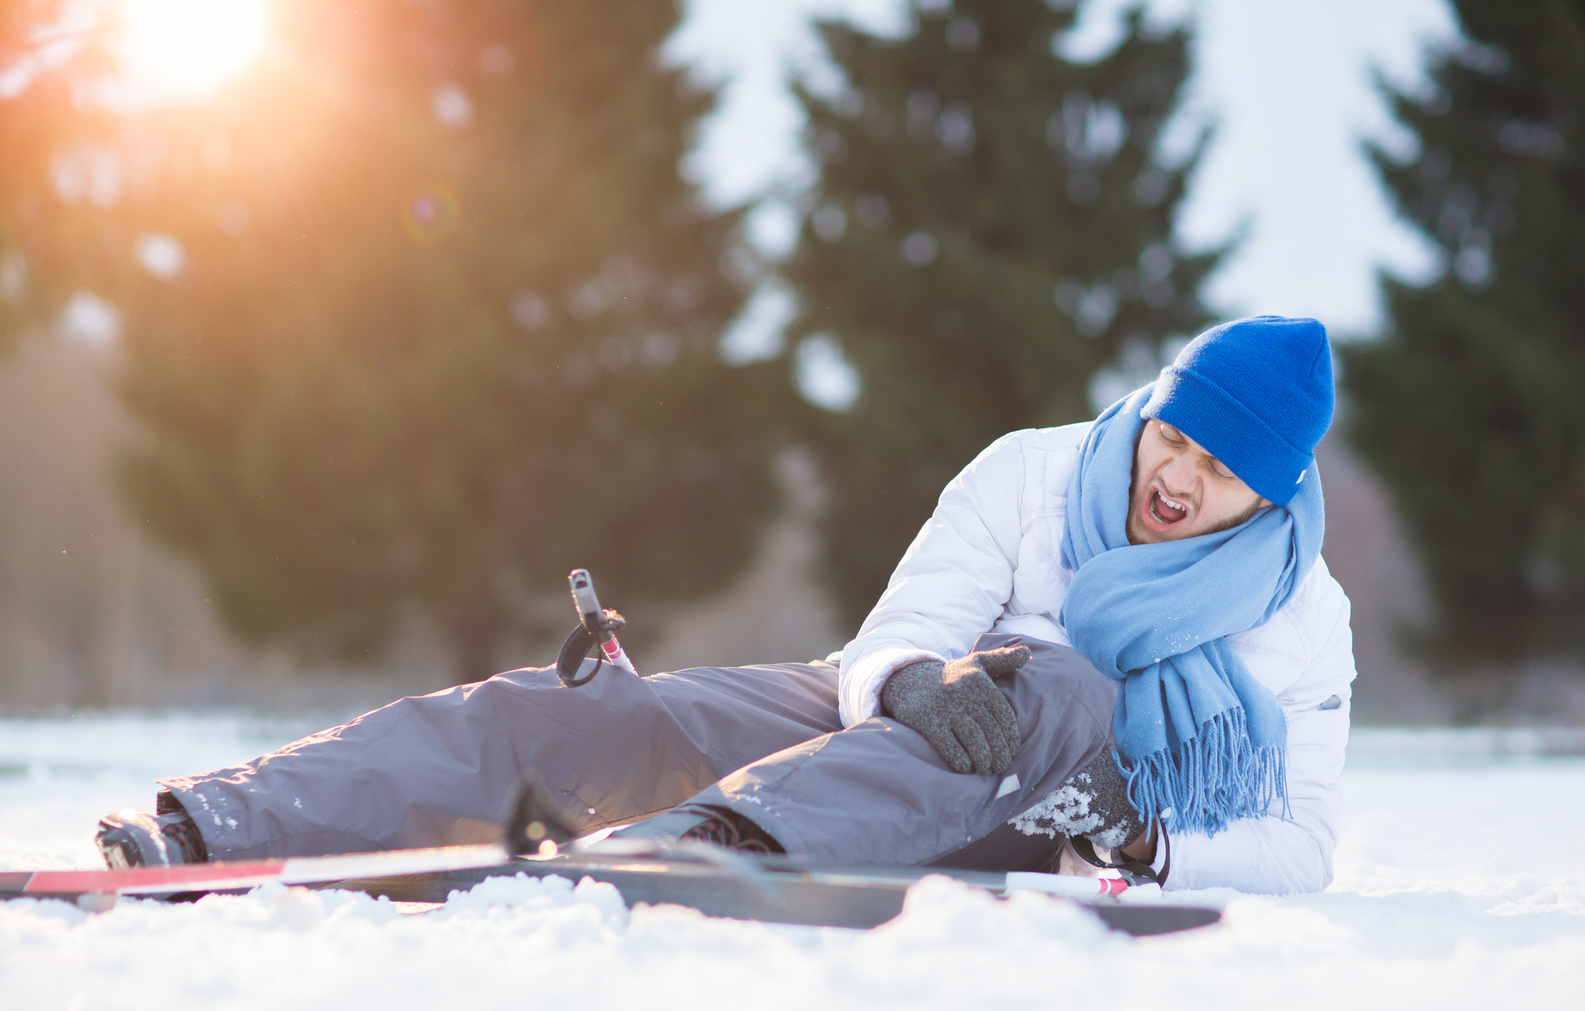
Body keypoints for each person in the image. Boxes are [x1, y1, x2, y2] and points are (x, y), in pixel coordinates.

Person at [95, 315, 1354, 895]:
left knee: (1059, 677)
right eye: (1177, 438)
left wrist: (1148, 848)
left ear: (1273, 487)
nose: (1182, 479)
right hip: (890, 745)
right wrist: (909, 681)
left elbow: (1301, 844)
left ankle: (698, 858)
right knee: (615, 716)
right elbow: (899, 634)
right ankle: (223, 824)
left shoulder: (1301, 620)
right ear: (1153, 406)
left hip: (1066, 808)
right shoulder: (1031, 471)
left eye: (1225, 468)